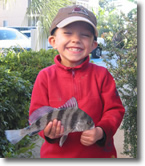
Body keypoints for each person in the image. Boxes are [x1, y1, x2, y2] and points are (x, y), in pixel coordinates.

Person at [29, 5, 125, 158]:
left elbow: (115, 110)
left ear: (93, 45)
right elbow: (37, 114)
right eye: (67, 33)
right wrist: (47, 132)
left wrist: (101, 131)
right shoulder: (45, 76)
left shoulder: (102, 75)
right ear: (53, 41)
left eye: (85, 35)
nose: (75, 39)